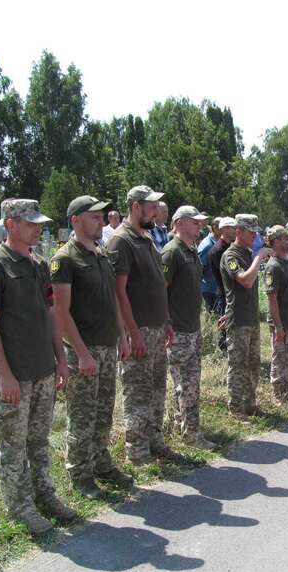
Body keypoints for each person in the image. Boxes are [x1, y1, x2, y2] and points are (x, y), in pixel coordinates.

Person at [0, 199, 75, 535]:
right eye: (31, 223)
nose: (38, 228)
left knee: (38, 441)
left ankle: (45, 495)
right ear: (12, 224)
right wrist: (4, 375)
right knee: (13, 445)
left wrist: (60, 358)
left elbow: (50, 314)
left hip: (43, 370)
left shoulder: (38, 265)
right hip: (16, 374)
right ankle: (20, 508)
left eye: (39, 223)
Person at [50, 196, 134, 499]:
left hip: (107, 346)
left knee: (103, 412)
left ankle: (101, 463)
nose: (101, 221)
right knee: (82, 415)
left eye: (102, 217)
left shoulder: (99, 253)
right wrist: (82, 353)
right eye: (94, 217)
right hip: (81, 350)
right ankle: (80, 474)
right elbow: (61, 311)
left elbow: (112, 297)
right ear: (76, 220)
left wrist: (122, 335)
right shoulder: (65, 258)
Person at [107, 186, 178, 465]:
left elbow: (158, 284)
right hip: (139, 330)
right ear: (136, 206)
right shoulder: (120, 241)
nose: (156, 211)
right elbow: (118, 291)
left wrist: (167, 321)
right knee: (137, 390)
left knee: (157, 387)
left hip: (157, 328)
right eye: (150, 206)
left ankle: (155, 441)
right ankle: (137, 450)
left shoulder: (145, 237)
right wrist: (132, 332)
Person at [162, 205, 214, 449]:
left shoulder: (191, 251)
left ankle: (183, 428)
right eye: (194, 222)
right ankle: (191, 435)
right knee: (187, 384)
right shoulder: (172, 252)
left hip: (192, 328)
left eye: (200, 223)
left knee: (189, 384)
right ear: (180, 222)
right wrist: (166, 323)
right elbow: (160, 290)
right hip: (178, 331)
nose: (199, 226)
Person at [220, 214, 272, 419]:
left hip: (250, 318)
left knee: (253, 364)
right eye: (251, 232)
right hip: (239, 320)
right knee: (238, 365)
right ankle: (236, 408)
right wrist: (259, 257)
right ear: (238, 231)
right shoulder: (230, 256)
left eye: (255, 232)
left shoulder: (248, 254)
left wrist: (255, 256)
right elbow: (246, 281)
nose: (254, 236)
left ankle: (250, 403)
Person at [264, 226, 288, 404]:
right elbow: (272, 299)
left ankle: (287, 392)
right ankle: (279, 397)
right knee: (280, 360)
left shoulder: (287, 262)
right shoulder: (273, 267)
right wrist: (278, 326)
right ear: (277, 241)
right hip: (282, 323)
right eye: (286, 238)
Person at [210, 217, 237, 351]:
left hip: (228, 292)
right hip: (225, 292)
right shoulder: (219, 249)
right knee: (225, 324)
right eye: (232, 228)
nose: (235, 230)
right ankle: (224, 351)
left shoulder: (227, 247)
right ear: (225, 229)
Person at [198, 216, 221, 314]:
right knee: (213, 318)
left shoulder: (218, 242)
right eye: (223, 227)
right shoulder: (207, 245)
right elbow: (200, 268)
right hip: (210, 289)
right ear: (215, 227)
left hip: (216, 288)